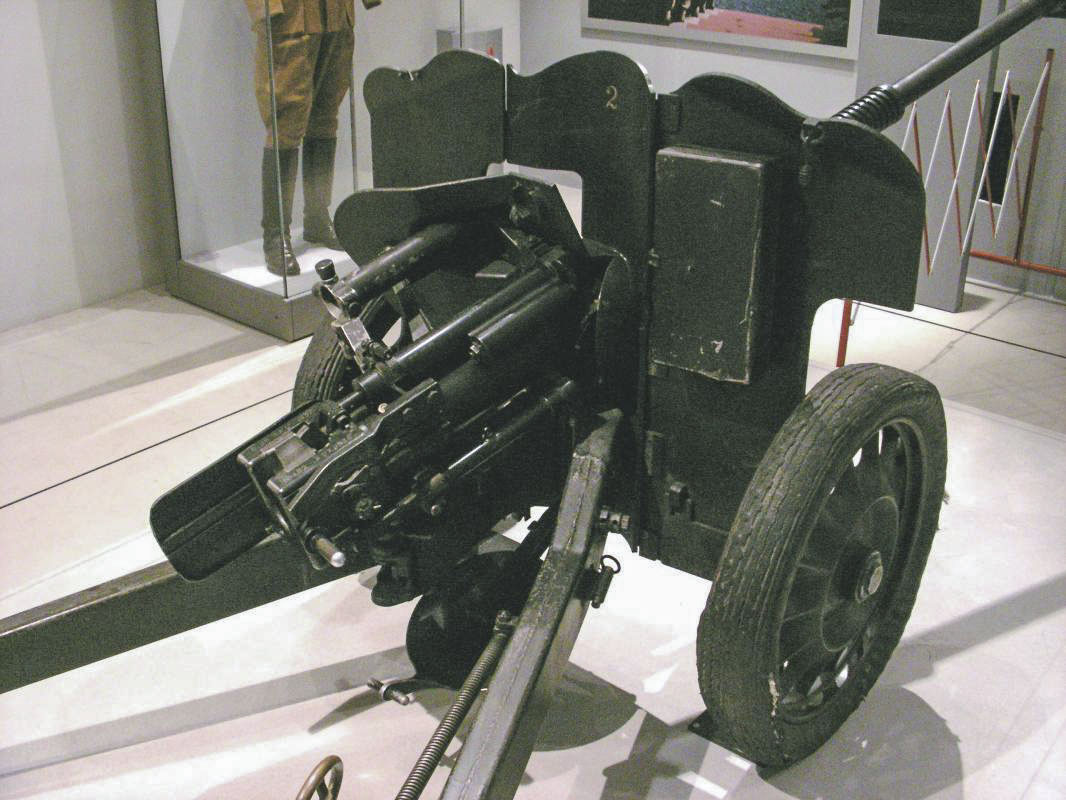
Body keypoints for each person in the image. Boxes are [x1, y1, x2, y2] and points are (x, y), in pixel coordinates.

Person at [246, 0, 382, 276]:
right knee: (285, 121)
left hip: (336, 13)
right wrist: (266, 8)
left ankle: (318, 218)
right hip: (290, 17)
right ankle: (275, 236)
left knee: (325, 117)